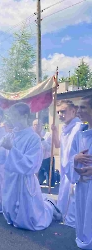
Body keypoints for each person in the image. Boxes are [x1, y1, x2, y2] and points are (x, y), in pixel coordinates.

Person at [1, 102, 61, 231]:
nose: (12, 119)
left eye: (15, 116)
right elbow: (2, 157)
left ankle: (50, 207)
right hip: (11, 179)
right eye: (11, 116)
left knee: (30, 221)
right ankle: (44, 203)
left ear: (26, 116)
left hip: (24, 179)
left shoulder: (33, 138)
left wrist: (12, 149)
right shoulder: (10, 135)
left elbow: (31, 164)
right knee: (9, 210)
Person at [52, 99, 85, 228]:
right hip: (65, 169)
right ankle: (64, 217)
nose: (60, 114)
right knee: (64, 197)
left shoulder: (79, 128)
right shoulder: (65, 127)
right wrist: (54, 131)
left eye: (63, 111)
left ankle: (71, 225)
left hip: (74, 170)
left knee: (73, 199)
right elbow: (58, 145)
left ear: (73, 110)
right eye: (58, 112)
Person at [68, 94, 92, 249]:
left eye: (83, 107)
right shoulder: (80, 134)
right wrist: (75, 159)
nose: (79, 110)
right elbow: (71, 157)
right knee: (84, 217)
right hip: (83, 185)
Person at [32, 119, 55, 186]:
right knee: (38, 182)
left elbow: (49, 148)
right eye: (35, 125)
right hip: (37, 160)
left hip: (47, 159)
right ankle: (42, 175)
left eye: (38, 125)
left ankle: (56, 175)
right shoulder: (32, 136)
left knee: (51, 184)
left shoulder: (47, 135)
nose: (36, 126)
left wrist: (41, 137)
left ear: (41, 126)